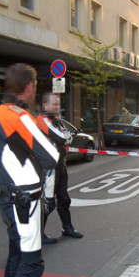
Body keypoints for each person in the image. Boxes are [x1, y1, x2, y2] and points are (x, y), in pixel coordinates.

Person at [0, 63, 60, 277]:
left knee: (16, 257)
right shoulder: (20, 117)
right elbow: (52, 155)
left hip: (8, 197)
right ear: (28, 87)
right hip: (24, 202)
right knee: (31, 263)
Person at [37, 93, 83, 243]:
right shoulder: (42, 120)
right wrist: (64, 137)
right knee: (48, 202)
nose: (57, 107)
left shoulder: (57, 121)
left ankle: (67, 228)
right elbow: (63, 138)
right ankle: (38, 234)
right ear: (45, 105)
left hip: (60, 164)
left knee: (64, 198)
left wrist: (64, 137)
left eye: (58, 104)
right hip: (48, 167)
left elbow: (69, 138)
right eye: (54, 104)